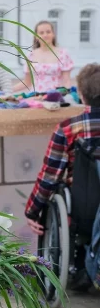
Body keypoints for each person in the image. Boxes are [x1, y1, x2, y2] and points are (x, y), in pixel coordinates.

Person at [25, 63, 100, 237]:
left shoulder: (68, 128)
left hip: (85, 211)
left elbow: (49, 176)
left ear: (81, 95)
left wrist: (32, 211)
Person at [12, 20, 74, 92]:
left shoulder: (63, 54)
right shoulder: (30, 56)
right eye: (41, 33)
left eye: (48, 32)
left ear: (53, 34)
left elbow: (66, 81)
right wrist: (6, 91)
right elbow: (27, 82)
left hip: (55, 98)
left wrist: (67, 96)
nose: (45, 35)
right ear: (36, 36)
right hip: (36, 98)